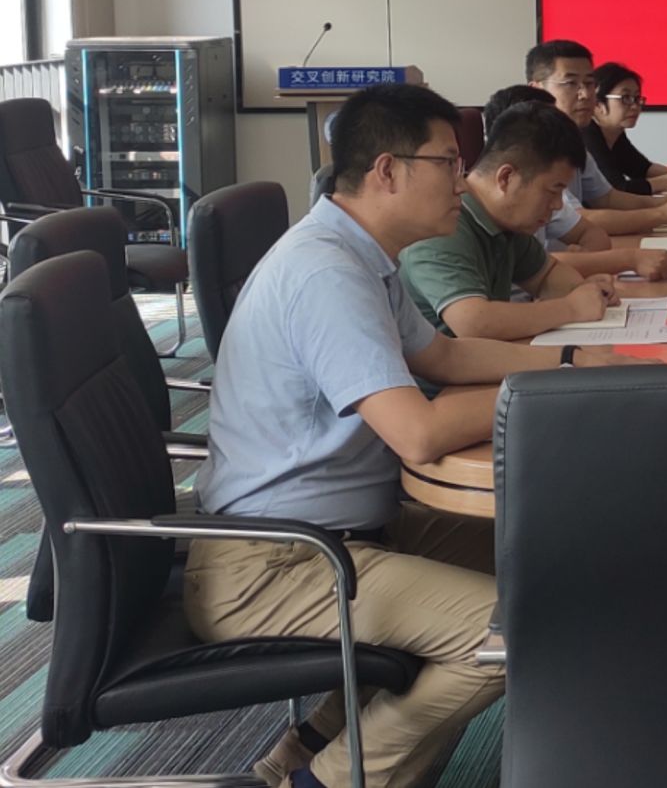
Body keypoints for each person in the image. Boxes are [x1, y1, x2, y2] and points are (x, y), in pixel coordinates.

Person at [187, 83, 625, 788]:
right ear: (387, 171)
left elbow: (442, 356)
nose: (462, 180)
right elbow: (417, 434)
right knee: (522, 628)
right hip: (277, 561)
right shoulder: (326, 272)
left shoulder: (362, 254)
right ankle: (324, 781)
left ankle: (308, 744)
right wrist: (552, 389)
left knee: (548, 556)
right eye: (448, 162)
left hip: (348, 531)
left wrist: (569, 361)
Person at [399, 102, 623, 339]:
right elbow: (474, 322)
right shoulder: (443, 222)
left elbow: (546, 276)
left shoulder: (505, 221)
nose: (558, 205)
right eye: (553, 191)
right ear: (506, 178)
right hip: (448, 362)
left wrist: (583, 290)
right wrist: (571, 308)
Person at [482, 85, 667, 283]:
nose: (585, 95)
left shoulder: (541, 189)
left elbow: (594, 228)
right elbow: (539, 266)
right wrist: (661, 215)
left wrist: (582, 264)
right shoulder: (486, 217)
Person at [526, 40, 667, 236]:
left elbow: (607, 198)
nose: (585, 94)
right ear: (537, 90)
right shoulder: (532, 146)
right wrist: (662, 213)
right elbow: (578, 219)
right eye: (571, 83)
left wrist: (664, 202)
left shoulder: (572, 141)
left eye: (589, 83)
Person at [587, 61, 667, 195]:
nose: (635, 106)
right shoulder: (587, 135)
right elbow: (618, 189)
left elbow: (642, 169)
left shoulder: (614, 133)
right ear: (598, 104)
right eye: (625, 98)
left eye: (637, 98)